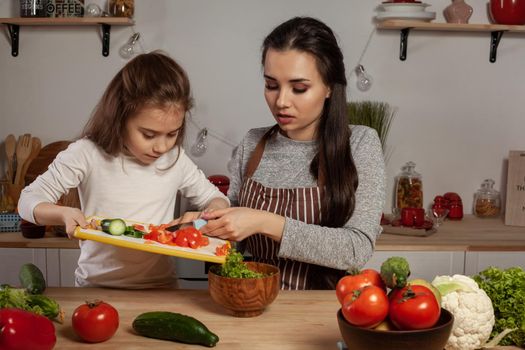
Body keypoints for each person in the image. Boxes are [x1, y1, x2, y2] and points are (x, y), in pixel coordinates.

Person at [199, 17, 386, 290]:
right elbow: (233, 237)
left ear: (330, 87)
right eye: (271, 85)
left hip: (322, 310)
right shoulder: (253, 143)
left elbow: (356, 248)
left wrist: (265, 222)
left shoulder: (360, 143)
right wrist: (212, 219)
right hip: (253, 299)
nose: (281, 101)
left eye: (299, 88)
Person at [18, 51, 229, 289]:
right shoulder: (87, 153)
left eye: (172, 134)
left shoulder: (176, 159)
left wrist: (208, 215)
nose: (161, 147)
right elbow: (27, 201)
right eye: (148, 135)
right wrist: (62, 214)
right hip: (96, 289)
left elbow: (217, 199)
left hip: (161, 289)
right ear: (120, 117)